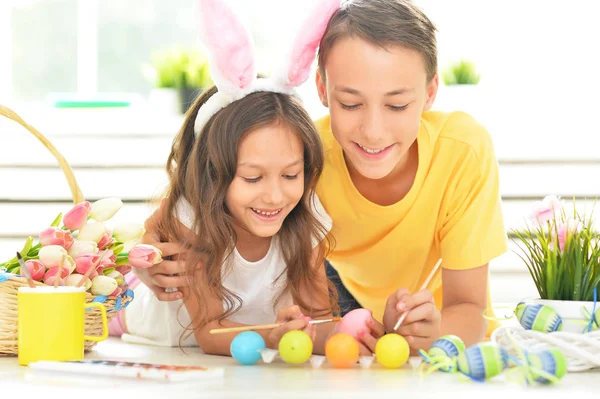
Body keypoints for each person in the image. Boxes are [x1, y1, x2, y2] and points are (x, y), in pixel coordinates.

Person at [138, 0, 507, 355]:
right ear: (321, 89)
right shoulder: (298, 159)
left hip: (436, 328)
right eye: (350, 103)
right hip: (347, 306)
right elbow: (194, 204)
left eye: (396, 105)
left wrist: (425, 333)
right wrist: (154, 252)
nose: (374, 132)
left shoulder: (462, 150)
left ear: (430, 94)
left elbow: (471, 310)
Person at [107, 0, 381, 356]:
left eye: (290, 174)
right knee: (110, 302)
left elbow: (319, 319)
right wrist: (273, 338)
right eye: (252, 178)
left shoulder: (304, 216)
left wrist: (357, 334)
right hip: (152, 324)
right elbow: (208, 332)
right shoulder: (191, 220)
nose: (274, 196)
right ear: (213, 175)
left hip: (244, 339)